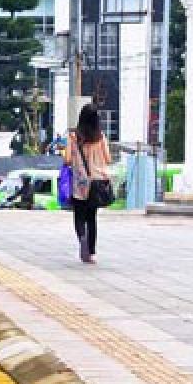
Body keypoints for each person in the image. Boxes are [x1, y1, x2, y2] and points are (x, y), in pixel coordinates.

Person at [68, 104, 111, 264]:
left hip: (80, 183)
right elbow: (108, 159)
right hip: (97, 182)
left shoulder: (74, 137)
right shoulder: (101, 137)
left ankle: (82, 238)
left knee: (79, 216)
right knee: (92, 218)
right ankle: (91, 252)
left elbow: (67, 159)